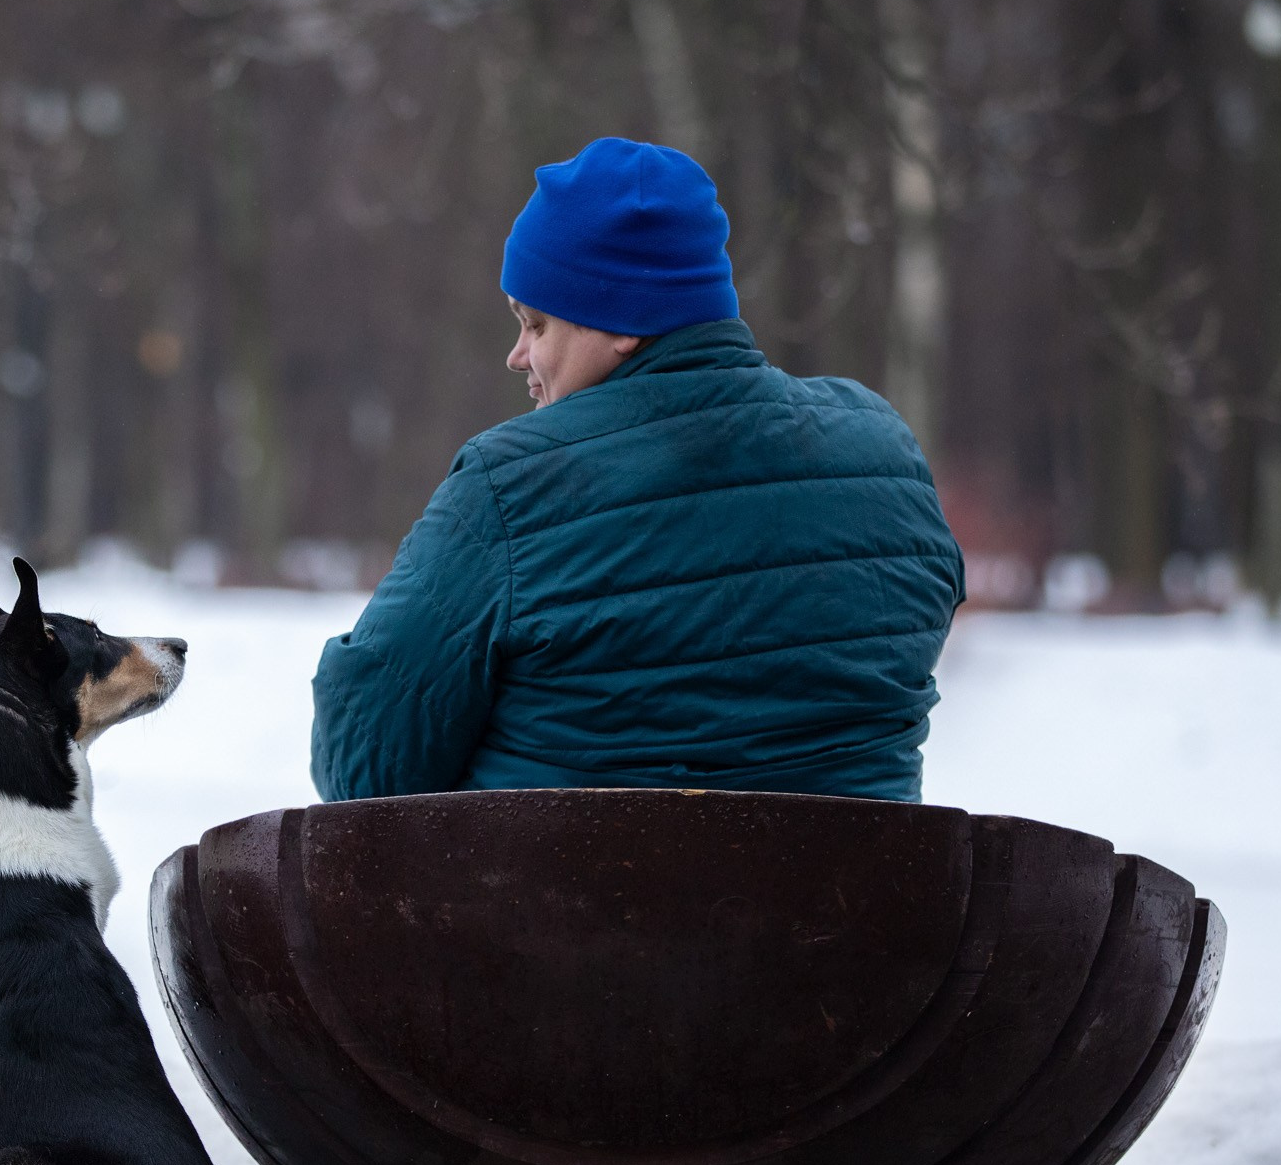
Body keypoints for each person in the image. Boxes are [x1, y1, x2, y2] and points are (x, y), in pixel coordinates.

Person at [311, 137, 965, 805]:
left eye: (535, 324)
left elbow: (367, 773)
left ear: (623, 321)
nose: (517, 355)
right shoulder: (886, 458)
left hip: (560, 906)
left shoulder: (508, 488)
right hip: (860, 905)